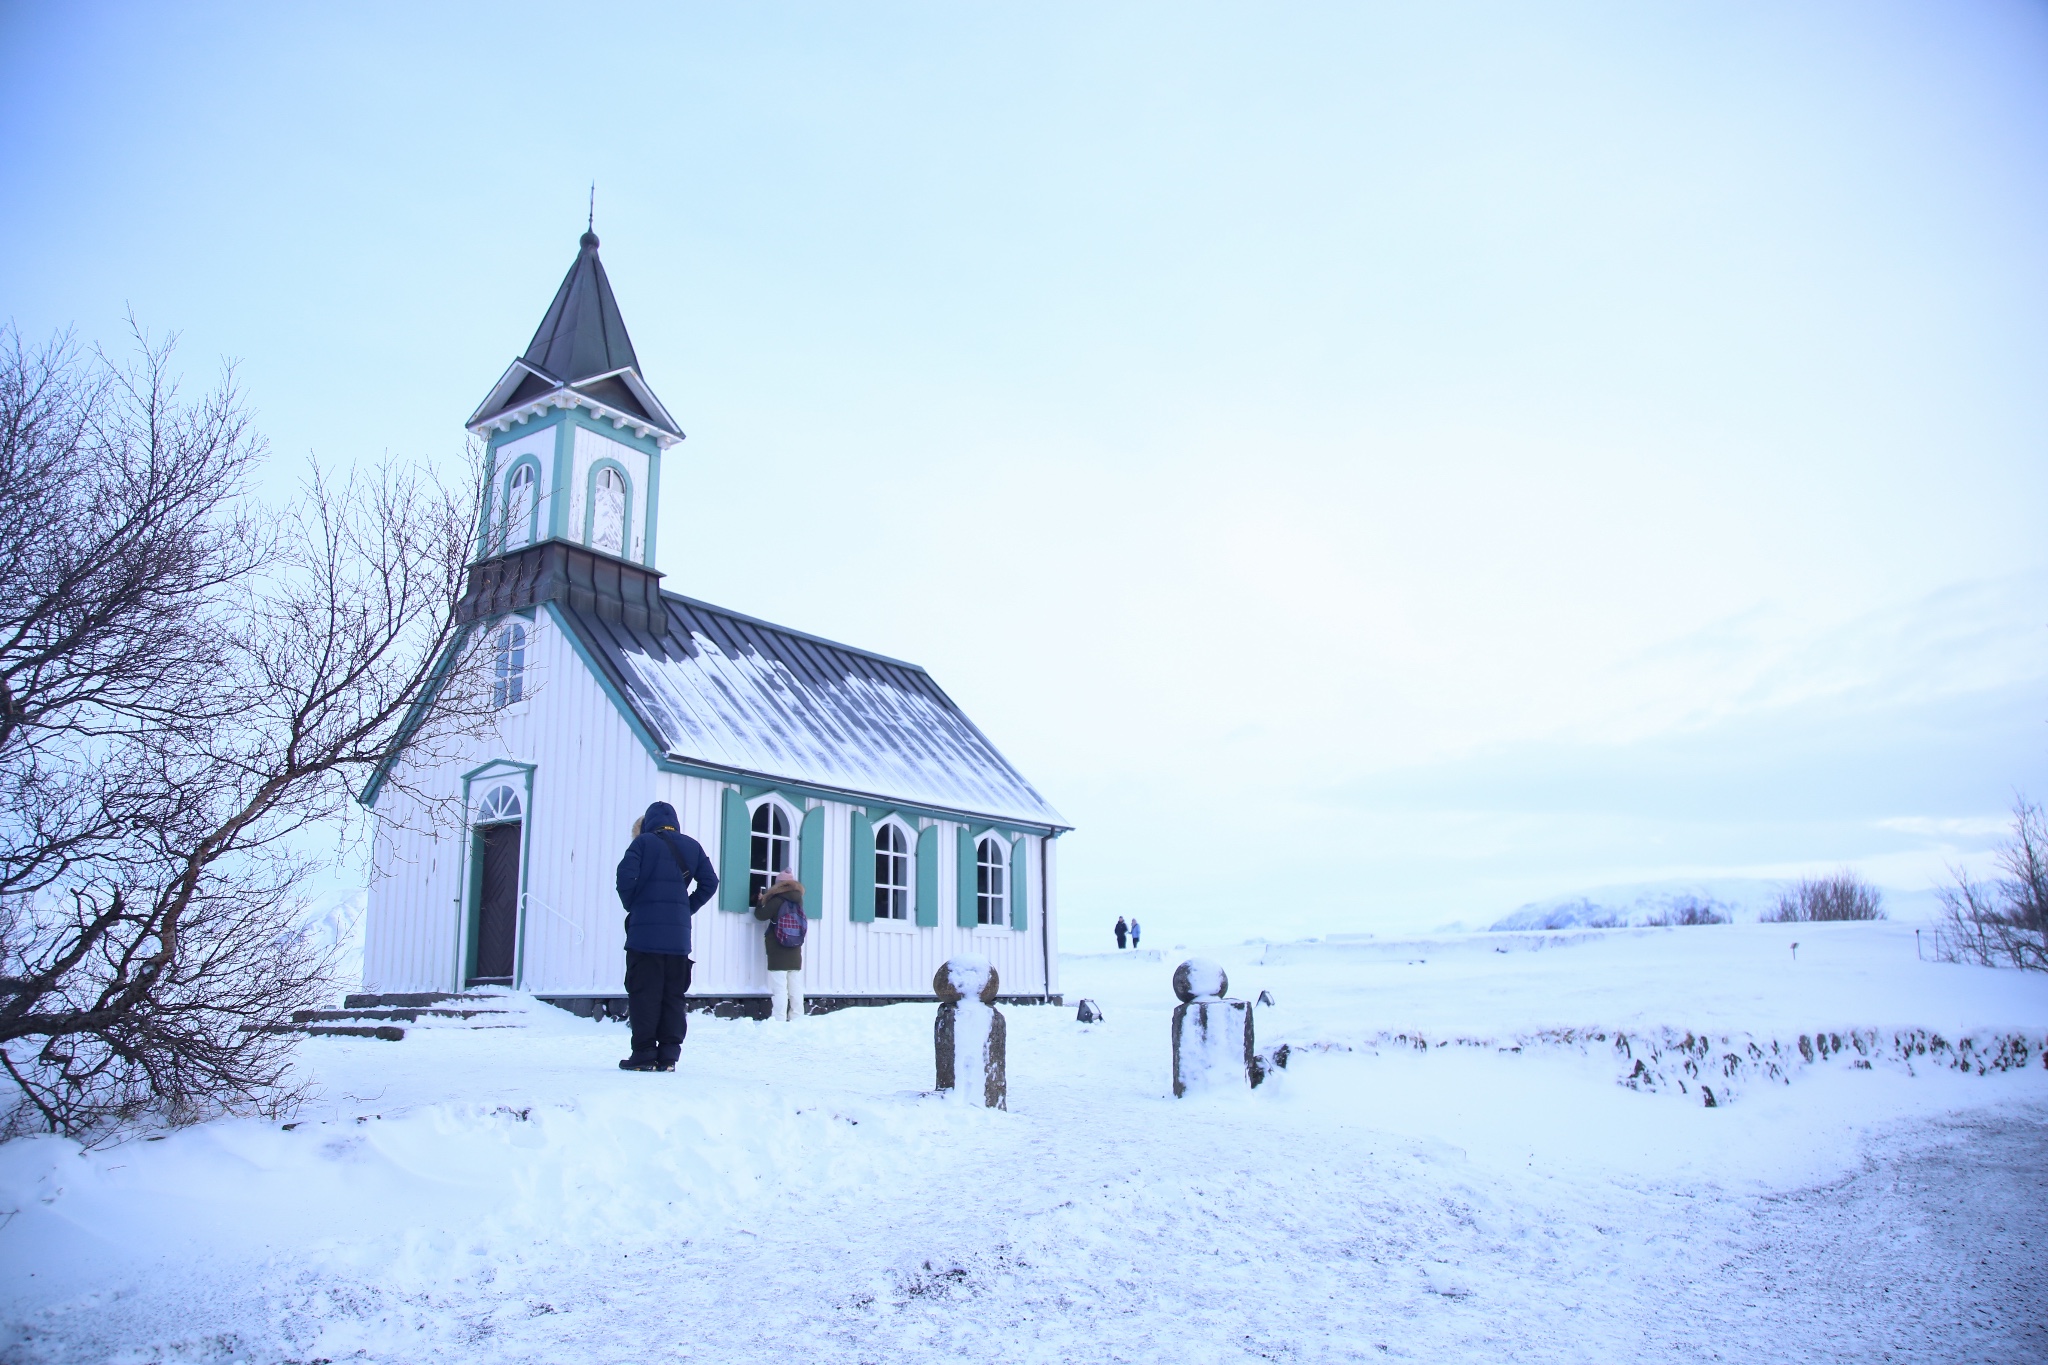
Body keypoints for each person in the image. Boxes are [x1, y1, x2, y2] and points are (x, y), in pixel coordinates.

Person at [615, 800, 718, 1071]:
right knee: (673, 996)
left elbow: (624, 878)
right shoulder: (692, 846)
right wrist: (687, 907)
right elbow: (710, 882)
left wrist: (634, 906)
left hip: (644, 937)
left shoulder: (642, 843)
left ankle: (644, 1054)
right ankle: (669, 1056)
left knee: (644, 993)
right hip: (678, 940)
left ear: (648, 822)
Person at [753, 868, 806, 1022]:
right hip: (795, 945)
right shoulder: (798, 899)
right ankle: (797, 1017)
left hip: (778, 946)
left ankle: (779, 1018)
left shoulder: (777, 900)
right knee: (795, 985)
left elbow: (760, 916)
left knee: (780, 987)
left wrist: (760, 902)